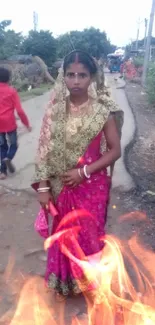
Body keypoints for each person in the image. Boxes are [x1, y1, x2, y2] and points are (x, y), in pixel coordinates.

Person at [32, 50, 123, 298]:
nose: (75, 81)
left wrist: (84, 171)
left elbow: (115, 151)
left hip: (92, 186)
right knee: (63, 234)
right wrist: (43, 187)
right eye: (70, 75)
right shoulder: (54, 112)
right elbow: (44, 151)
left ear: (92, 77)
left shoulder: (103, 112)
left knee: (89, 236)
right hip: (62, 186)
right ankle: (65, 281)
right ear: (63, 77)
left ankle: (90, 284)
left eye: (82, 75)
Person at [0, 67, 31, 179]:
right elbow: (20, 111)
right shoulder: (11, 91)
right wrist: (26, 124)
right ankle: (8, 157)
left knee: (2, 147)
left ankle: (3, 172)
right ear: (8, 79)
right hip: (9, 124)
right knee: (13, 145)